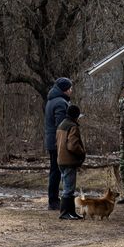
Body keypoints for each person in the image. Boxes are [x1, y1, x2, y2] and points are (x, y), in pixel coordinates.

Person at [43, 77, 73, 210]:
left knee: (54, 170)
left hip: (51, 141)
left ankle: (54, 199)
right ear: (65, 89)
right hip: (57, 142)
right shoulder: (61, 103)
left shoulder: (51, 101)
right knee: (56, 171)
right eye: (70, 88)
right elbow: (61, 125)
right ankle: (54, 201)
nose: (71, 91)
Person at [55, 103, 86, 220]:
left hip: (61, 160)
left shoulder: (61, 125)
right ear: (76, 116)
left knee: (68, 188)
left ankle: (71, 213)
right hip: (69, 161)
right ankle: (64, 213)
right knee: (68, 189)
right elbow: (72, 145)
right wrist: (82, 151)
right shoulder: (73, 126)